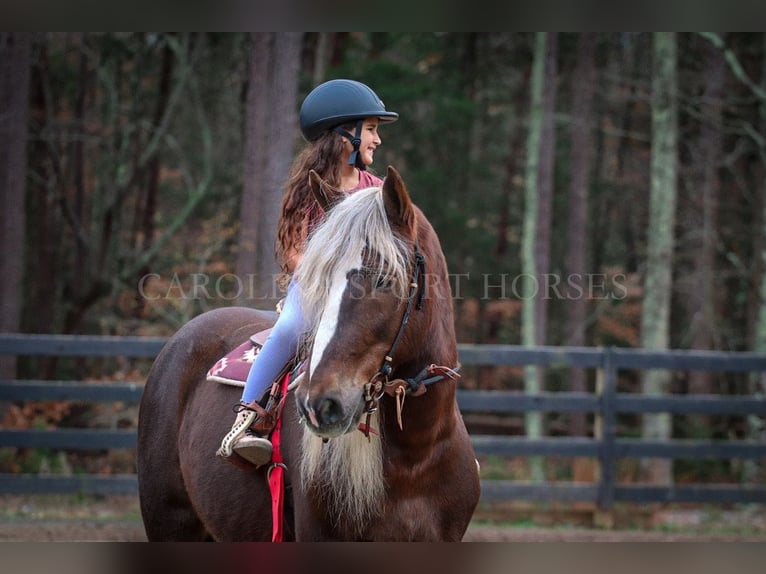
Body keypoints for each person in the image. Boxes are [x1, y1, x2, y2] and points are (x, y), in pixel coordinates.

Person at [216, 79, 399, 467]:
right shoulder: (307, 189)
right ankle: (247, 417)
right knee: (289, 330)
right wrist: (335, 272)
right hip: (316, 289)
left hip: (362, 292)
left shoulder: (377, 192)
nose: (377, 140)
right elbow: (296, 254)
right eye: (371, 129)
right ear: (343, 134)